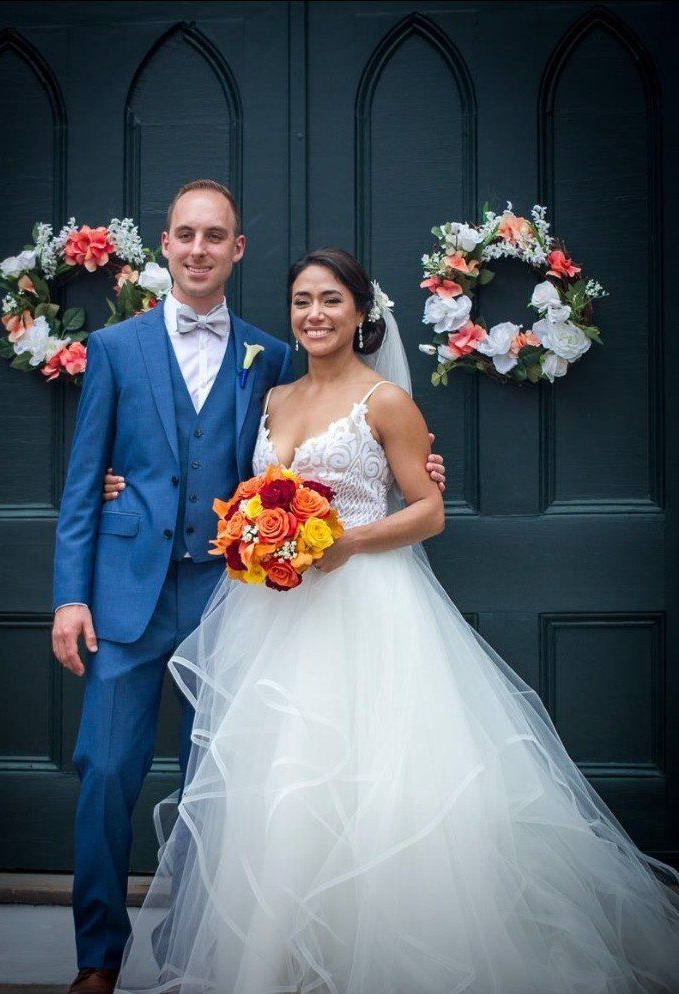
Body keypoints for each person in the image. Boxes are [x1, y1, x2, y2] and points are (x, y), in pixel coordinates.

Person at [114, 248, 679, 994]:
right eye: (302, 302)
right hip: (274, 616)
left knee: (367, 781)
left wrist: (345, 539)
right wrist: (128, 491)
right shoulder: (274, 398)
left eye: (331, 302)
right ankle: (274, 963)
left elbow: (428, 510)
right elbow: (233, 485)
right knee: (280, 786)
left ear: (360, 315)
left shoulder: (383, 401)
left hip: (365, 611)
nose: (314, 315)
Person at [51, 183, 447, 994]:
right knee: (102, 773)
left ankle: (197, 952)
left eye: (216, 237)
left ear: (237, 251)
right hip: (127, 595)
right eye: (186, 236)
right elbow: (84, 479)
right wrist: (70, 595)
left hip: (239, 598)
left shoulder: (268, 357)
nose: (199, 250)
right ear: (165, 245)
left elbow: (292, 466)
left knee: (229, 784)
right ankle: (98, 958)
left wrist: (418, 472)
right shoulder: (118, 348)